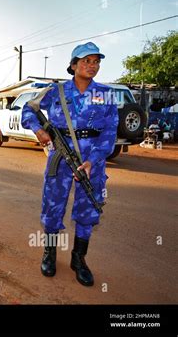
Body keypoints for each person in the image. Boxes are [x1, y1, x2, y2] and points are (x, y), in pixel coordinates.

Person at [22, 42, 118, 286]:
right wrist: (38, 130)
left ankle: (79, 260)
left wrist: (92, 161)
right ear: (73, 65)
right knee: (53, 207)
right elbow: (29, 108)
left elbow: (110, 131)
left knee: (88, 210)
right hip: (60, 157)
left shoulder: (106, 94)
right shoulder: (56, 91)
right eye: (86, 61)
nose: (92, 66)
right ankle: (50, 253)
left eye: (96, 61)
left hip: (91, 160)